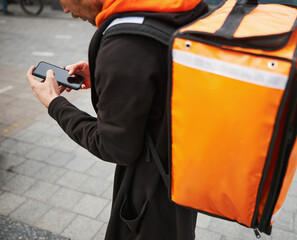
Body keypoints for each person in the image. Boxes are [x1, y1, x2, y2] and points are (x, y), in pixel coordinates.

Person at [26, 0, 208, 239]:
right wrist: (113, 78)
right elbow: (160, 71)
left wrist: (55, 104)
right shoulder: (174, 8)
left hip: (150, 198)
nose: (65, 10)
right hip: (182, 175)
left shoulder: (123, 42)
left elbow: (113, 146)